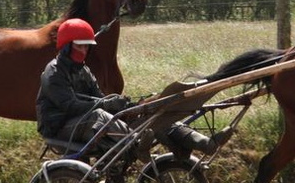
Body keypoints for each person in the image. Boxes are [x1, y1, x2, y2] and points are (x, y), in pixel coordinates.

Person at [36, 18, 232, 165]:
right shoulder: (53, 72)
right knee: (100, 115)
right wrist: (106, 105)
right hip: (59, 127)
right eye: (80, 46)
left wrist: (127, 106)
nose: (85, 51)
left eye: (87, 47)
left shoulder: (83, 70)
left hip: (83, 122)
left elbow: (99, 97)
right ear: (67, 46)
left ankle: (202, 143)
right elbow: (69, 106)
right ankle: (137, 144)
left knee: (155, 111)